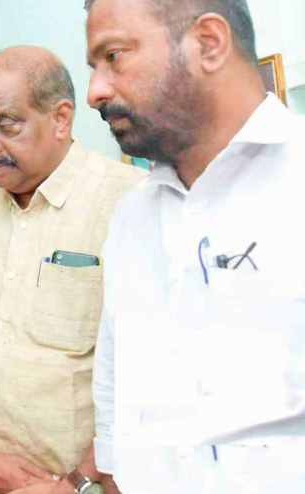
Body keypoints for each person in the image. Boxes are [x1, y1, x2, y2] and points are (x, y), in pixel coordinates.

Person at [85, 0, 305, 492]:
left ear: (208, 43)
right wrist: (113, 471)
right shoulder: (132, 215)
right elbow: (115, 374)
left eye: (113, 56)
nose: (95, 91)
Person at [0, 46, 146, 494]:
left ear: (61, 119)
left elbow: (158, 368)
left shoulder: (132, 204)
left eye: (6, 125)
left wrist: (78, 482)